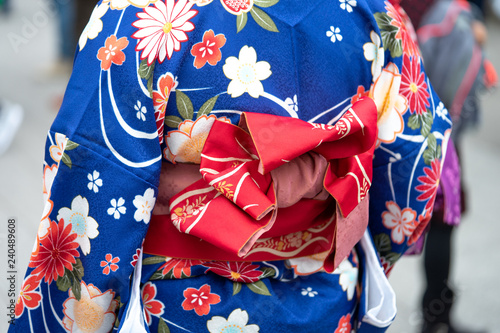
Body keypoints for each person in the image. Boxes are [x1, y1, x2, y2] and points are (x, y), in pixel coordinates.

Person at [9, 1, 452, 332]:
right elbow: (412, 179)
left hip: (178, 307)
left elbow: (92, 191)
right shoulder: (376, 15)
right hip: (325, 304)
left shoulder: (141, 16)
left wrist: (76, 315)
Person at [400, 0, 497, 332]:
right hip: (434, 129)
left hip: (398, 116)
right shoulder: (449, 17)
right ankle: (435, 317)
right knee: (442, 221)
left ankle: (435, 314)